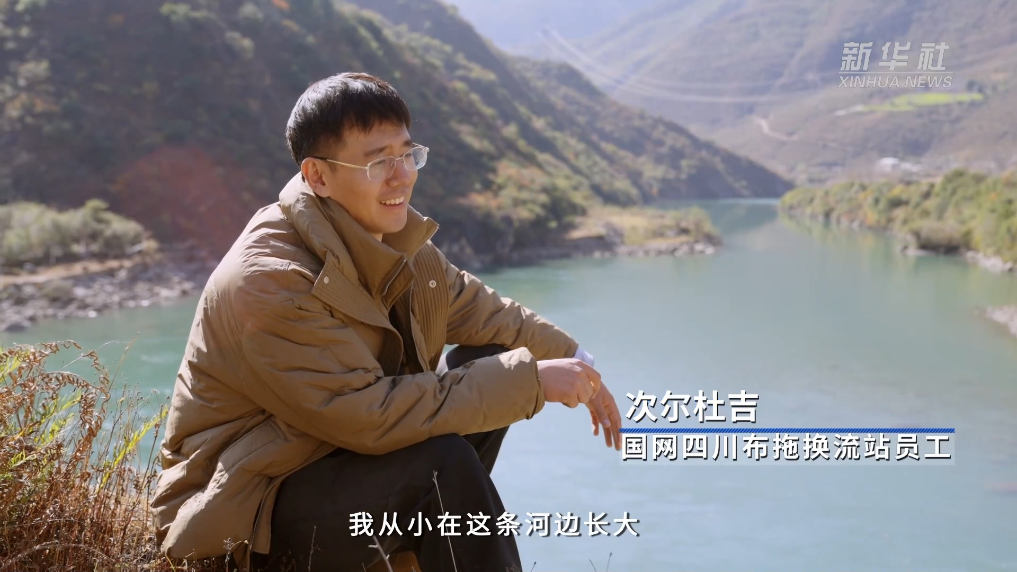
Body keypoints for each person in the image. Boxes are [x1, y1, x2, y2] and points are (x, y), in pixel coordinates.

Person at [150, 72, 623, 572]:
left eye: (407, 153)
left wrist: (577, 363)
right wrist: (531, 382)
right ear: (318, 176)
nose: (402, 176)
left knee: (494, 358)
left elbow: (483, 311)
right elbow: (364, 414)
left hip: (330, 459)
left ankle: (425, 551)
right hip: (248, 507)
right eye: (378, 162)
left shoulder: (391, 239)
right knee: (444, 464)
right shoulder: (270, 281)